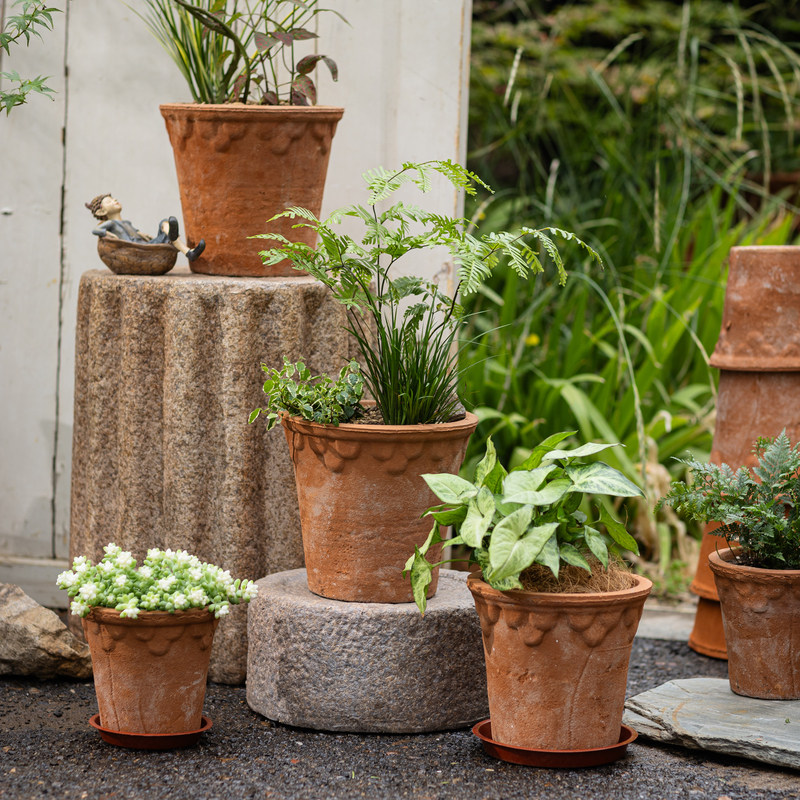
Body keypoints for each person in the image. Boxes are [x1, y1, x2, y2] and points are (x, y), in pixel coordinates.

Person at [85, 194, 205, 261]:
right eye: (109, 201)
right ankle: (175, 240)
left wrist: (142, 234)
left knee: (164, 222)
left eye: (114, 199)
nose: (115, 200)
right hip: (138, 248)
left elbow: (136, 233)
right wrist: (108, 234)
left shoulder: (127, 222)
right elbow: (95, 230)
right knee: (167, 231)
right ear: (101, 212)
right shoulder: (112, 224)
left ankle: (189, 252)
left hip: (146, 244)